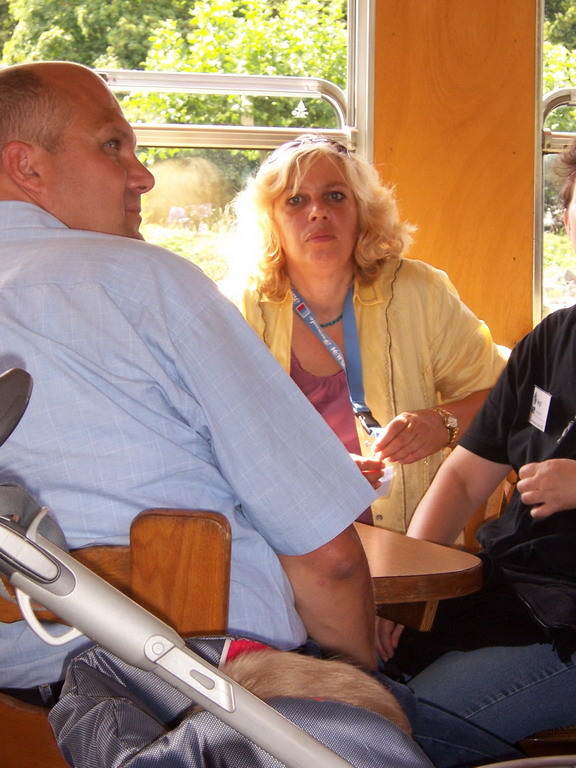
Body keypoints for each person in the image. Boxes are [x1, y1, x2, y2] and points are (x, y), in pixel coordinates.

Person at [0, 62, 522, 768]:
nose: (143, 176)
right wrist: (357, 678)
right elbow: (329, 561)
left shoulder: (417, 292)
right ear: (26, 166)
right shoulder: (148, 284)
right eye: (113, 146)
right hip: (213, 700)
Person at [378, 139, 576, 744]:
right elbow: (466, 477)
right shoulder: (552, 339)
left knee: (398, 734)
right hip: (508, 590)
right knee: (353, 680)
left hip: (565, 626)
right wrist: (408, 591)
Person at [224, 134, 507, 532]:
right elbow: (216, 439)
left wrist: (443, 423)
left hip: (408, 537)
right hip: (281, 541)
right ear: (269, 220)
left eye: (335, 196)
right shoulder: (238, 307)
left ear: (363, 212)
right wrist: (315, 472)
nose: (318, 212)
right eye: (296, 200)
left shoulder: (417, 291)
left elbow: (504, 397)